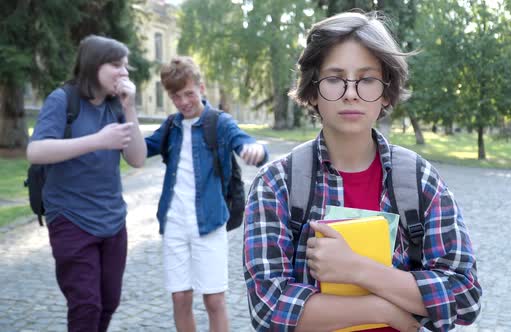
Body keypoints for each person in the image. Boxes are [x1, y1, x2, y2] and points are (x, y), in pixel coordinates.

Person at [243, 12, 482, 332]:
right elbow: (269, 310)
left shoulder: (419, 179)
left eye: (367, 79)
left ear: (386, 91)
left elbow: (465, 297)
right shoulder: (276, 186)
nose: (351, 92)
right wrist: (384, 309)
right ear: (312, 90)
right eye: (334, 78)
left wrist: (357, 269)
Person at [26, 35, 146, 332]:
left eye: (126, 67)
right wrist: (97, 141)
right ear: (94, 65)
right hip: (70, 218)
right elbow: (36, 151)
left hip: (113, 220)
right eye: (116, 65)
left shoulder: (116, 106)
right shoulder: (62, 100)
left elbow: (138, 159)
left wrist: (130, 109)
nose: (124, 73)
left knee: (108, 302)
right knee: (85, 305)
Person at [144, 56, 268, 332]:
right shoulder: (172, 126)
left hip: (209, 221)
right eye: (176, 96)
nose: (184, 101)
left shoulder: (218, 122)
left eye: (188, 93)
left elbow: (243, 140)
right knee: (180, 297)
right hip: (174, 221)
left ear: (201, 88)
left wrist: (255, 149)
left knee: (214, 300)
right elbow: (140, 150)